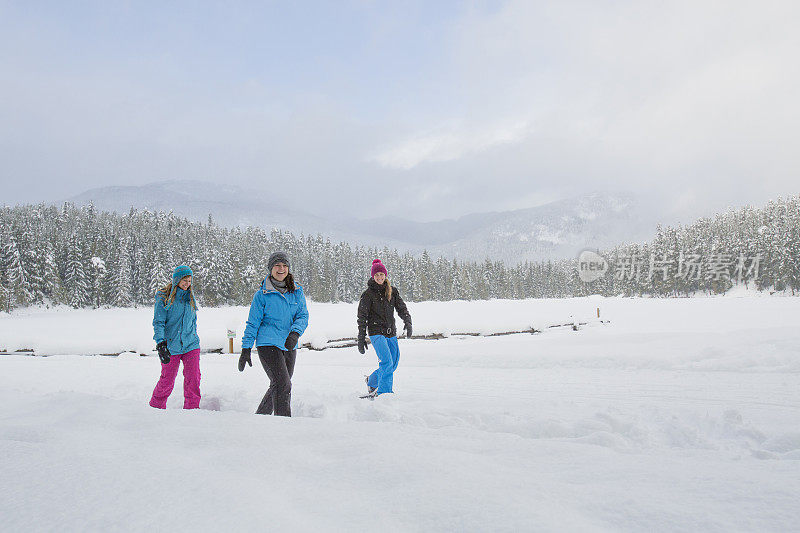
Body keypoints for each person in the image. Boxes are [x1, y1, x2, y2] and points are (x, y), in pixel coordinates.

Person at [238, 252, 309, 416]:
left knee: (279, 384)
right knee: (283, 383)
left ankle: (261, 417)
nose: (281, 269)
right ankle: (283, 423)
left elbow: (303, 315)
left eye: (284, 265)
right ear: (271, 268)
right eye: (277, 265)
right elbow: (252, 323)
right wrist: (246, 349)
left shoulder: (296, 291)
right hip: (267, 343)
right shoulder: (262, 295)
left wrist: (295, 333)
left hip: (289, 343)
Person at [357, 259, 412, 398]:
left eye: (382, 274)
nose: (379, 277)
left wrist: (408, 321)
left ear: (385, 275)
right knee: (387, 361)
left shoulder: (392, 291)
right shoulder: (368, 294)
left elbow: (401, 308)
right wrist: (361, 337)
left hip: (390, 332)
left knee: (393, 363)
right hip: (376, 333)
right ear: (373, 276)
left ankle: (372, 381)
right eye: (377, 275)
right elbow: (362, 317)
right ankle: (384, 393)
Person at [149, 265, 201, 409]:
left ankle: (192, 411)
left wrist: (194, 336)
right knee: (167, 381)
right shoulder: (164, 298)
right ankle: (155, 409)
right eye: (185, 280)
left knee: (193, 380)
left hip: (191, 344)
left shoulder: (190, 298)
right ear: (177, 279)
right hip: (171, 346)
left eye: (190, 281)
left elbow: (193, 321)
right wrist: (160, 344)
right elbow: (158, 323)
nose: (187, 284)